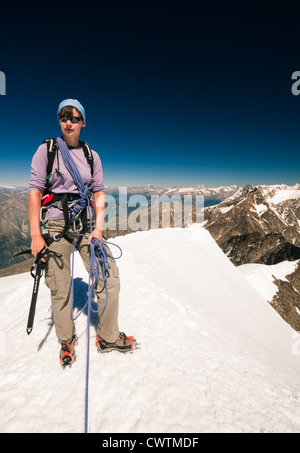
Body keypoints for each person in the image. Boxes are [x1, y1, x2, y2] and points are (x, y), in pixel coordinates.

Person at [28, 99, 135, 366]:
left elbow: (98, 192)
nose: (68, 122)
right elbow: (35, 191)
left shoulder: (91, 156)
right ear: (59, 120)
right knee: (60, 288)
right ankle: (67, 340)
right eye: (64, 117)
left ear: (83, 122)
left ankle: (108, 336)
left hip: (86, 227)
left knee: (109, 278)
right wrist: (35, 235)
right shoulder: (47, 151)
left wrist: (98, 227)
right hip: (55, 227)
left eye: (74, 118)